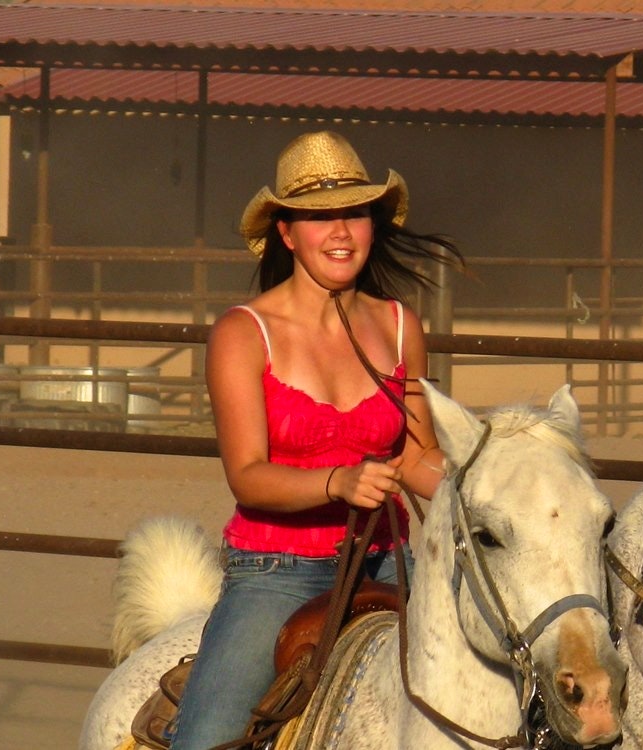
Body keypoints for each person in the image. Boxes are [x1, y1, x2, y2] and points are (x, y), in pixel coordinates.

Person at [168, 131, 462, 750]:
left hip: (389, 561)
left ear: (373, 224)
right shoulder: (244, 334)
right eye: (318, 217)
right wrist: (339, 482)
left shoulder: (400, 325)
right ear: (286, 232)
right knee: (206, 739)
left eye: (354, 213)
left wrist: (493, 486)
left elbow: (415, 456)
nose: (339, 232)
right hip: (277, 572)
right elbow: (246, 474)